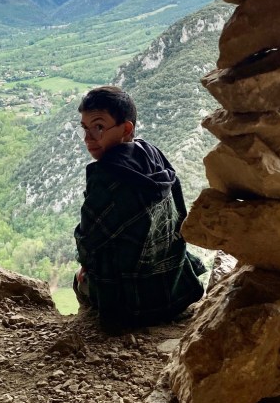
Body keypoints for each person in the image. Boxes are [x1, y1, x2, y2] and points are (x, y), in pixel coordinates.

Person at [73, 85, 205, 330]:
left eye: (99, 127)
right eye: (85, 128)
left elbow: (89, 239)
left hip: (131, 304)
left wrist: (85, 265)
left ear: (126, 129)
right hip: (175, 288)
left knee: (79, 281)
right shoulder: (153, 154)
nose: (88, 138)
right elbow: (180, 216)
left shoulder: (106, 175)